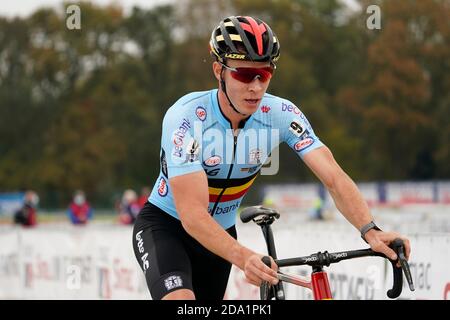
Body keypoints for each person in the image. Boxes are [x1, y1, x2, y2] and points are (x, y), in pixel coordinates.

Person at [132, 15, 411, 300]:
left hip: (220, 235)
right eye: (243, 74)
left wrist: (371, 230)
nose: (255, 87)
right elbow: (192, 216)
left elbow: (333, 177)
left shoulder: (280, 114)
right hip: (167, 227)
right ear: (219, 71)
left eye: (264, 74)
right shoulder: (187, 118)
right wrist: (243, 257)